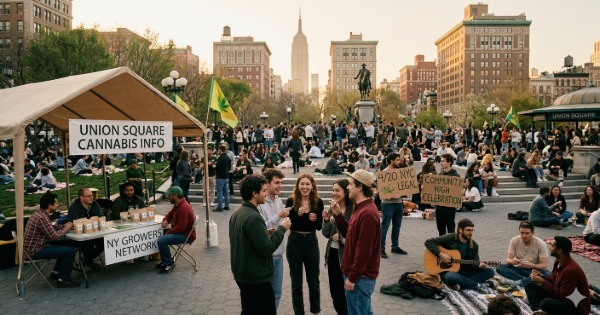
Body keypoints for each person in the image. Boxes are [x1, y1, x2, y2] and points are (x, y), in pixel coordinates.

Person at [230, 174, 291, 315]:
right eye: (263, 190)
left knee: (249, 310)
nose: (265, 194)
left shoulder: (239, 212)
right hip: (255, 276)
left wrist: (265, 233)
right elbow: (266, 248)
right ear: (254, 193)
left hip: (243, 273)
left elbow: (247, 240)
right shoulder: (253, 216)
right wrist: (282, 228)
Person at [331, 169, 380, 315]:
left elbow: (363, 251)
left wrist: (352, 278)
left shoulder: (368, 214)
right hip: (357, 275)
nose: (348, 187)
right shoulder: (360, 208)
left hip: (360, 278)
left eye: (351, 184)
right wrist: (339, 216)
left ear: (360, 187)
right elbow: (350, 235)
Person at [285, 173, 324, 315]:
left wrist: (315, 220)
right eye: (302, 184)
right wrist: (298, 215)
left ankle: (316, 310)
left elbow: (320, 226)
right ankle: (298, 312)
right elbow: (288, 223)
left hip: (311, 242)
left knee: (313, 279)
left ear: (312, 186)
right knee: (296, 282)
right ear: (298, 186)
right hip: (294, 241)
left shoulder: (318, 202)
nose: (305, 187)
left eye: (307, 184)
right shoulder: (291, 201)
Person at [23, 192, 79, 288]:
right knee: (69, 251)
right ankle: (63, 279)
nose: (57, 205)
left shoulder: (39, 213)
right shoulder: (42, 217)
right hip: (35, 250)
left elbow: (49, 228)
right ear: (50, 205)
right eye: (56, 203)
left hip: (35, 246)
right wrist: (67, 228)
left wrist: (63, 226)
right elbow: (55, 236)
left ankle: (56, 272)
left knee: (68, 244)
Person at [525, 236, 591, 315]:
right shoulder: (558, 261)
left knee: (546, 303)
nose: (550, 248)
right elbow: (555, 282)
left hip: (575, 306)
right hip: (563, 297)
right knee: (530, 286)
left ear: (559, 250)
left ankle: (544, 310)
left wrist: (542, 282)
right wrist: (542, 276)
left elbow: (562, 295)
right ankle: (538, 310)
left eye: (552, 246)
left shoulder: (570, 270)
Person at [424, 218, 495, 291]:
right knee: (451, 276)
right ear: (460, 230)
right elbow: (428, 242)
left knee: (490, 271)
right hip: (449, 272)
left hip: (465, 272)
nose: (470, 233)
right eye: (468, 230)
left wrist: (480, 266)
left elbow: (475, 262)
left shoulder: (474, 245)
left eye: (472, 230)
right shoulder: (450, 238)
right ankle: (477, 286)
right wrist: (441, 254)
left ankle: (461, 284)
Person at [257, 169, 290, 312]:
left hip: (279, 255)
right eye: (277, 183)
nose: (280, 186)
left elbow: (280, 225)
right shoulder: (260, 203)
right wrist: (278, 216)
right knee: (264, 296)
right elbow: (259, 228)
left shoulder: (279, 200)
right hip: (266, 258)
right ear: (267, 183)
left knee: (277, 294)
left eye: (281, 183)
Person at [322, 179, 353, 315]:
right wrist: (326, 220)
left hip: (346, 256)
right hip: (332, 255)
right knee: (335, 292)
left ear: (346, 192)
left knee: (345, 292)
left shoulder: (353, 210)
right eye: (333, 190)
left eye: (337, 190)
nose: (334, 193)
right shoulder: (332, 207)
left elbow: (353, 236)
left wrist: (340, 238)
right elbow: (326, 233)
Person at [155, 186, 196, 274]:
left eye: (169, 195)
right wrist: (166, 219)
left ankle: (168, 263)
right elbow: (169, 214)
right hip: (182, 232)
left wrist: (168, 232)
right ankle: (166, 260)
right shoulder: (178, 204)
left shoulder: (183, 207)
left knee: (162, 240)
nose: (168, 197)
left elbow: (182, 227)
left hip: (186, 235)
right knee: (161, 236)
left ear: (175, 196)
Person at [496, 221, 550, 286]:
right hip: (519, 269)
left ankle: (521, 281)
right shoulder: (514, 240)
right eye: (522, 233)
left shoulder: (540, 243)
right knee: (500, 267)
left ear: (532, 233)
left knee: (548, 274)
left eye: (527, 233)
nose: (524, 236)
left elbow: (544, 265)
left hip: (533, 271)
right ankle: (526, 281)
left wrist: (532, 265)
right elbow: (508, 260)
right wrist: (512, 261)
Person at [67, 187, 104, 271]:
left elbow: (101, 217)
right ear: (81, 197)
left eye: (92, 195)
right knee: (87, 243)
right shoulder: (74, 207)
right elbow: (73, 224)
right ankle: (88, 261)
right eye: (88, 196)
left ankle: (87, 260)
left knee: (105, 240)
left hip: (94, 233)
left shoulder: (95, 204)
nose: (92, 197)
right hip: (80, 236)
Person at [380, 153, 408, 258]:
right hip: (388, 204)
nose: (399, 162)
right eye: (397, 160)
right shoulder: (384, 173)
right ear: (391, 161)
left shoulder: (400, 172)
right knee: (385, 228)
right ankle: (381, 248)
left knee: (397, 227)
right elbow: (382, 190)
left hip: (399, 203)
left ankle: (395, 247)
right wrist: (391, 195)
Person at [435, 154, 461, 236]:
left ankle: (451, 246)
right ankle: (442, 246)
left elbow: (458, 191)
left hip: (449, 208)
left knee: (450, 228)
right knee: (440, 228)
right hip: (439, 207)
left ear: (449, 162)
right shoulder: (439, 175)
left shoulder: (456, 176)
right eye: (441, 161)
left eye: (443, 161)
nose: (441, 163)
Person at [215, 145, 231, 212]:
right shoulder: (228, 157)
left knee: (220, 192)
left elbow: (218, 167)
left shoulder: (220, 158)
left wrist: (214, 166)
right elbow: (229, 167)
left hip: (220, 176)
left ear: (220, 150)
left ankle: (220, 206)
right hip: (226, 176)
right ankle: (227, 205)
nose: (218, 151)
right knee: (226, 192)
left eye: (219, 150)